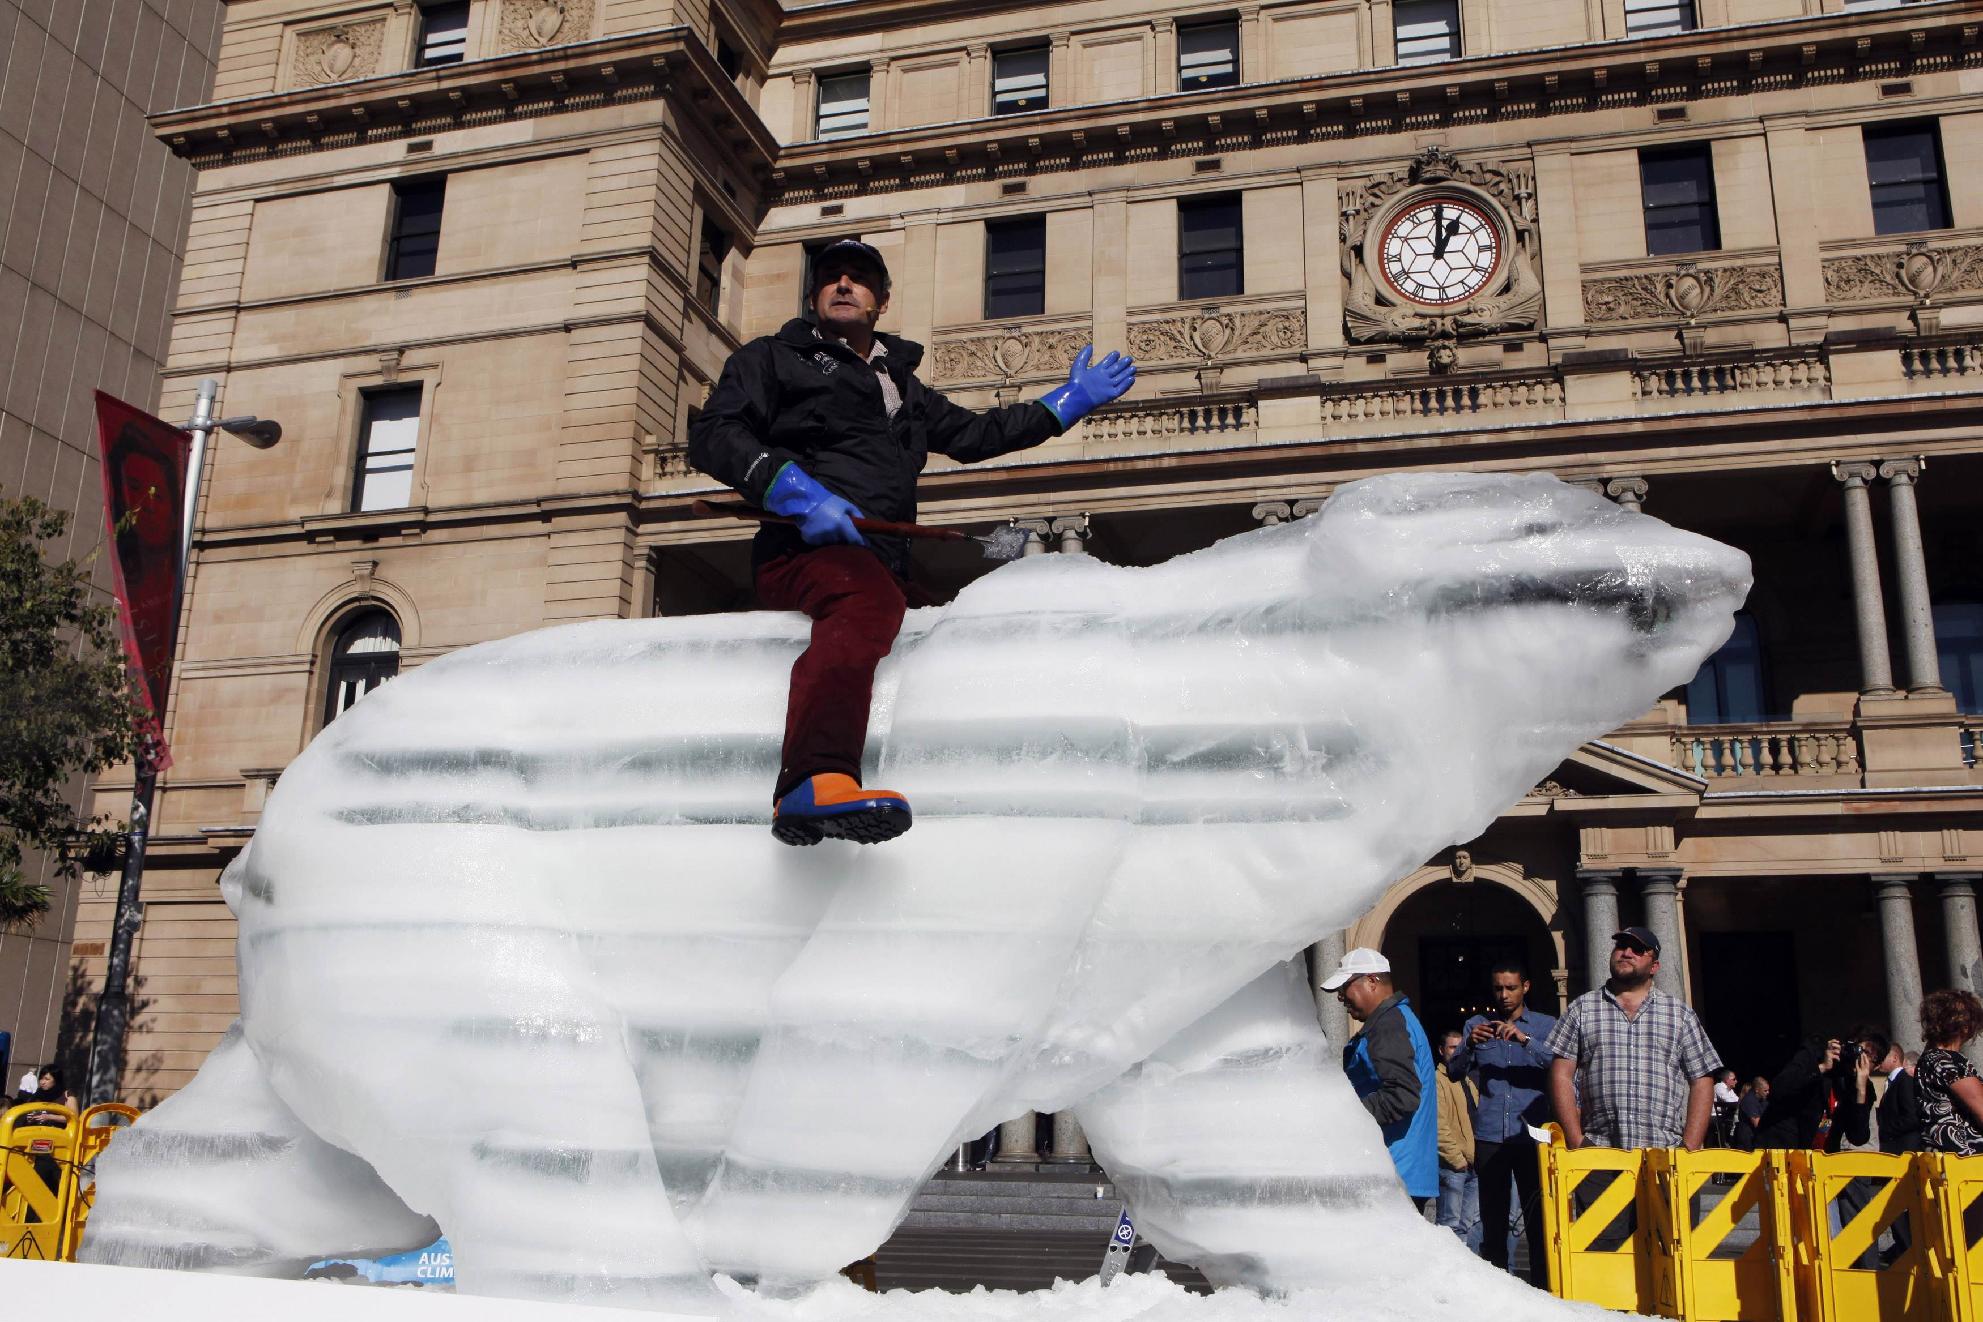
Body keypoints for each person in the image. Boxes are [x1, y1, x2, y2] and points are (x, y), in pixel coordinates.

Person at [687, 239, 1136, 847]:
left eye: (861, 278)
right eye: (830, 277)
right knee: (864, 602)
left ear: (883, 300)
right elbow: (715, 434)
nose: (844, 285)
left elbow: (978, 435)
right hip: (803, 552)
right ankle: (813, 780)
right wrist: (795, 493)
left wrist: (1068, 401)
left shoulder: (901, 385)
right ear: (814, 294)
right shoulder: (772, 357)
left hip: (883, 557)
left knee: (956, 627)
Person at [1544, 926, 1722, 1151]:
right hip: (1598, 1152)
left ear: (1654, 966)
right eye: (1620, 946)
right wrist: (1576, 1140)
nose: (1626, 953)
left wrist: (1690, 1146)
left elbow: (1702, 1080)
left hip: (1664, 1153)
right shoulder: (1581, 1008)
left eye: (1637, 949)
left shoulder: (1679, 1014)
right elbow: (1561, 1074)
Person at [1447, 960, 1556, 1285]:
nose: (1504, 995)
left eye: (1511, 987)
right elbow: (1454, 1071)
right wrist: (1468, 1046)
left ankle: (1542, 1288)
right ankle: (1499, 1290)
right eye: (1498, 988)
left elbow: (1560, 1063)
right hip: (1491, 1136)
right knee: (1491, 1220)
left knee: (1538, 1219)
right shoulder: (1476, 1024)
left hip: (1531, 1135)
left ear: (1525, 987)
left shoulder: (1545, 1025)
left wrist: (1524, 1040)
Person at [1323, 947, 1438, 1211]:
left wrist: (1343, 1112)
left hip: (1393, 1174)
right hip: (1401, 1173)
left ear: (1372, 981)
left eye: (1346, 986)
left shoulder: (1389, 1025)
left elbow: (1402, 1095)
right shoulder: (1398, 1019)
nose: (1341, 997)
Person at [1753, 1030, 1881, 1153]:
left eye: (1872, 1058)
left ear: (1876, 1067)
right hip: (1781, 1147)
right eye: (1862, 1051)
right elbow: (1778, 1089)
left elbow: (1858, 1138)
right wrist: (1822, 1067)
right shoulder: (1816, 1053)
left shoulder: (1863, 1087)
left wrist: (1861, 1092)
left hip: (1820, 1160)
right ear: (1849, 1044)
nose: (1863, 1059)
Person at [1917, 989, 1983, 1156]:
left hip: (1944, 1155)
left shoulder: (1929, 1059)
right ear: (1965, 1026)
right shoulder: (1949, 1061)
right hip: (1967, 1160)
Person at [1434, 1028, 1481, 1251]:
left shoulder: (1468, 1080)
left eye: (1459, 1047)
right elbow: (1438, 1124)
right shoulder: (1437, 1080)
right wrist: (1456, 1158)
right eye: (1452, 1047)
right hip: (1454, 1165)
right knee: (1449, 1227)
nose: (1456, 1052)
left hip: (1472, 1163)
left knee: (1468, 1227)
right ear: (1441, 1050)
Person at [1732, 1076, 1769, 1152]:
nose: (1768, 1093)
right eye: (1765, 1091)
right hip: (1747, 1139)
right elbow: (1757, 1123)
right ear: (1757, 1090)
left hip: (1757, 1136)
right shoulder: (1749, 1101)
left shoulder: (1762, 1100)